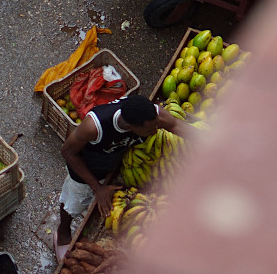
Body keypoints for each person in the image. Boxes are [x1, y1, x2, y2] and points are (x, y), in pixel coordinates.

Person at [56, 94, 189, 260]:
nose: (155, 131)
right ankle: (62, 232)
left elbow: (176, 124)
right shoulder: (94, 126)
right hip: (86, 168)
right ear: (129, 126)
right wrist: (97, 188)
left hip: (113, 161)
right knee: (73, 202)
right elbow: (67, 151)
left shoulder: (151, 115)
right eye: (149, 130)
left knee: (95, 204)